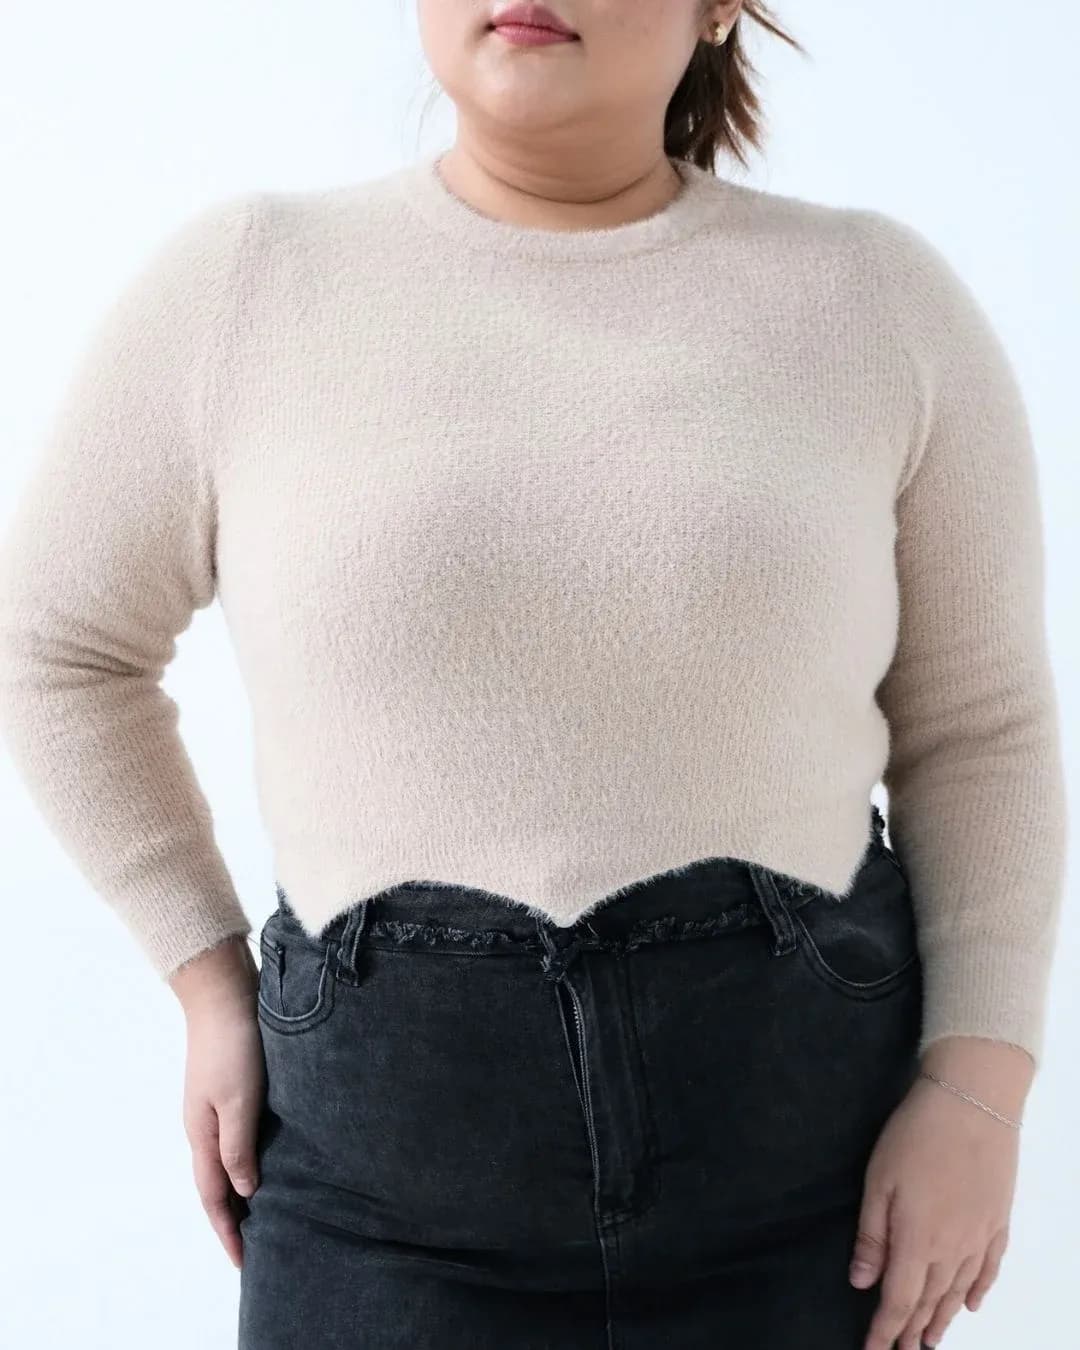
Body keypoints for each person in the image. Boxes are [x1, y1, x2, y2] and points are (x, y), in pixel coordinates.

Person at [0, 2, 1066, 1347]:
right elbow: (57, 647)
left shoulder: (878, 301)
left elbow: (979, 727)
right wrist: (205, 977)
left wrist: (979, 1089)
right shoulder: (249, 286)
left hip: (807, 1188)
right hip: (378, 1199)